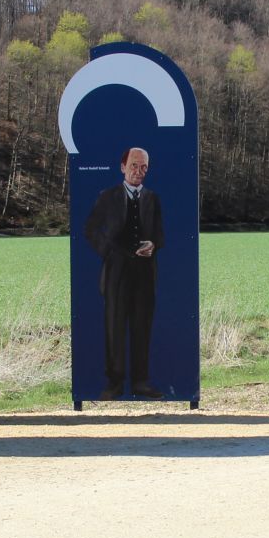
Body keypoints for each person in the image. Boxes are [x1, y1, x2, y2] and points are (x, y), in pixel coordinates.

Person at [83, 147, 164, 399]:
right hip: (116, 272)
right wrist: (110, 252)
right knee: (115, 326)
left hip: (144, 274)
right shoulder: (107, 197)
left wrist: (153, 244)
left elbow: (160, 234)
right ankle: (114, 383)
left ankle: (140, 381)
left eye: (143, 168)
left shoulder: (153, 199)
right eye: (133, 166)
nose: (138, 172)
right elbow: (91, 230)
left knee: (142, 327)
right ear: (122, 166)